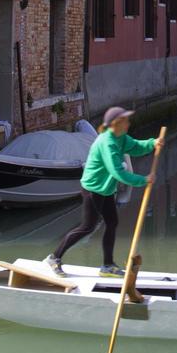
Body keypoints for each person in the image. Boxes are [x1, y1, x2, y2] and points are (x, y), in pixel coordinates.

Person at [44, 107, 164, 278]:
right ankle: (54, 257)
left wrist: (153, 143)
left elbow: (136, 146)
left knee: (112, 222)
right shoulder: (107, 142)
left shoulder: (120, 137)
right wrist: (142, 180)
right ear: (116, 123)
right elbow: (118, 172)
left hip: (107, 189)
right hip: (93, 189)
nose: (129, 123)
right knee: (87, 227)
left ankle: (107, 266)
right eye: (125, 120)